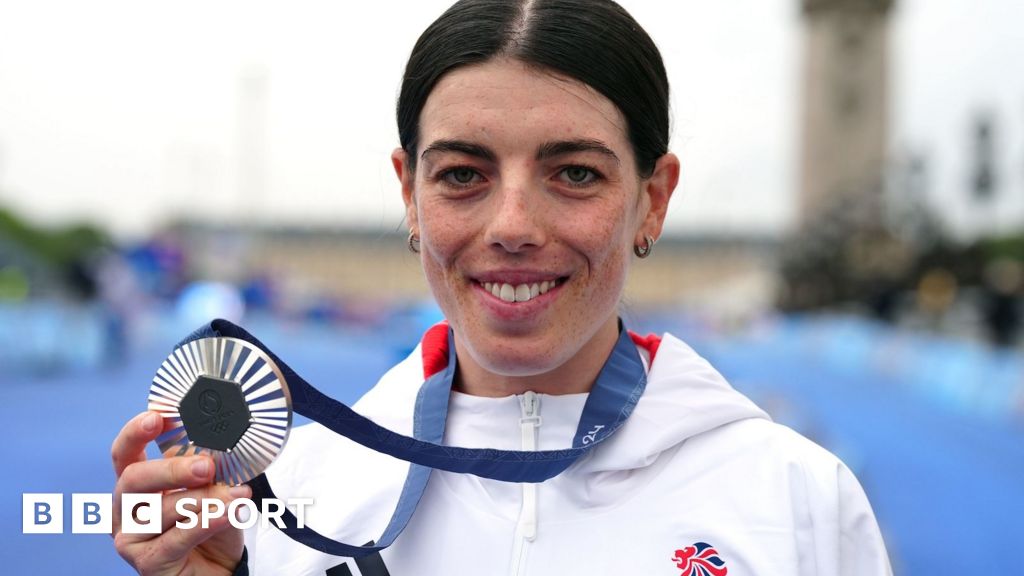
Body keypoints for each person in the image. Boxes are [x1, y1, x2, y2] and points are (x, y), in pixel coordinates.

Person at [111, 0, 893, 574]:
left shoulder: (796, 499)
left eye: (575, 173)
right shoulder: (289, 497)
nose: (512, 224)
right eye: (461, 174)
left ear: (653, 199)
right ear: (408, 194)